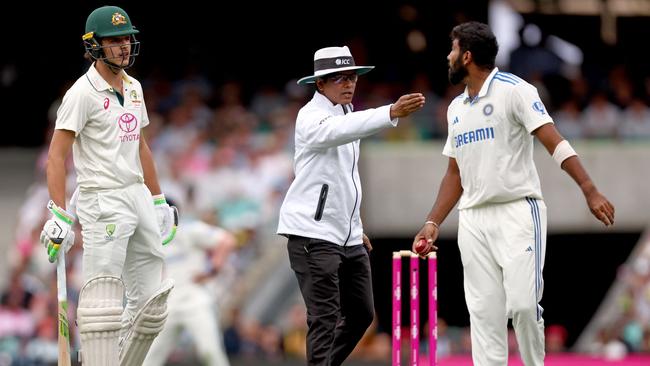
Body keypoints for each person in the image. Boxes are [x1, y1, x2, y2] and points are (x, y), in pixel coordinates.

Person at [412, 21, 615, 366]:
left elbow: (555, 140)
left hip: (518, 211)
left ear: (467, 56)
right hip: (473, 220)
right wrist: (432, 222)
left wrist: (590, 189)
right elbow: (454, 173)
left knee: (522, 305)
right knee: (484, 317)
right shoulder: (456, 108)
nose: (448, 57)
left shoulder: (515, 90)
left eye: (452, 50)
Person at [39, 5, 178, 366]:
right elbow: (56, 157)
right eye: (114, 41)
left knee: (150, 307)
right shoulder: (81, 93)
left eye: (127, 39)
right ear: (94, 45)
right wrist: (58, 213)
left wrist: (158, 199)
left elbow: (141, 145)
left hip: (136, 195)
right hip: (102, 199)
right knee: (103, 305)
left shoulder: (134, 87)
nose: (124, 47)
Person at [277, 45, 425, 366]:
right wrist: (389, 113)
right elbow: (339, 132)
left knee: (361, 314)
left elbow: (345, 180)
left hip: (347, 236)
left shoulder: (346, 113)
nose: (349, 84)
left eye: (352, 77)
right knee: (324, 317)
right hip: (312, 235)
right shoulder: (310, 116)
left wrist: (355, 226)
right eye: (339, 78)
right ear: (320, 84)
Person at [143, 199, 236, 366]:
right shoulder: (152, 239)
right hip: (167, 304)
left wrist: (212, 270)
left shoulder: (190, 229)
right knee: (149, 359)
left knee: (211, 353)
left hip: (195, 299)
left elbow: (227, 240)